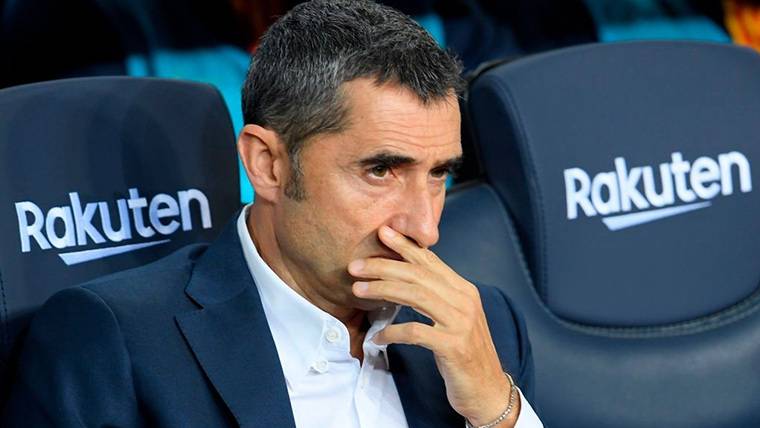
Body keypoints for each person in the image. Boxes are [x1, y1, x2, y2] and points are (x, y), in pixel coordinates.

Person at [2, 1, 543, 427]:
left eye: (439, 174)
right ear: (268, 165)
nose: (425, 228)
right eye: (381, 170)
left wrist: (499, 412)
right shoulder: (113, 343)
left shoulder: (483, 326)